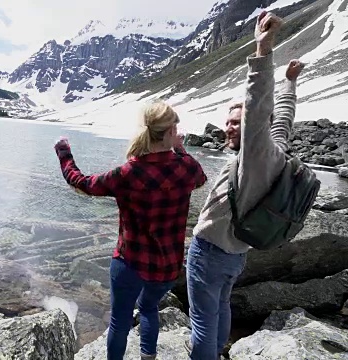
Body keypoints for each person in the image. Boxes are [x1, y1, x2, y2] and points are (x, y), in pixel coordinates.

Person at [185, 11, 305, 360]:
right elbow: (281, 115)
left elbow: (260, 104)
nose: (228, 127)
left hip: (210, 254)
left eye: (236, 122)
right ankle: (221, 352)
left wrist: (263, 48)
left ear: (254, 127)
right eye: (227, 121)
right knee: (220, 310)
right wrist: (291, 82)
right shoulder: (276, 149)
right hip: (236, 255)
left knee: (202, 322)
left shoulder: (256, 155)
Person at [54, 101, 207, 360]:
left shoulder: (128, 172)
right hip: (167, 267)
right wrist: (180, 149)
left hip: (130, 264)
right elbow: (201, 180)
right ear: (170, 131)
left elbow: (79, 182)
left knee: (119, 323)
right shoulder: (187, 167)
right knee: (148, 308)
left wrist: (63, 152)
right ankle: (148, 356)